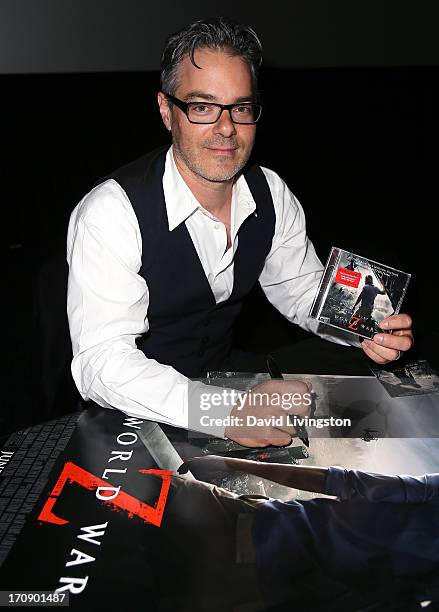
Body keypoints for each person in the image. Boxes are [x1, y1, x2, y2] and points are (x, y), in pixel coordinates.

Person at [66, 17, 413, 447]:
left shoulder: (271, 191)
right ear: (166, 110)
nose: (226, 128)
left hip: (225, 383)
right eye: (203, 107)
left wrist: (367, 325)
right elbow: (102, 363)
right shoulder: (111, 212)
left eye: (241, 107)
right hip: (132, 413)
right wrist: (223, 411)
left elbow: (301, 288)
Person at [147, 456, 439, 611]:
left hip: (255, 528)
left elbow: (341, 481)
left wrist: (234, 463)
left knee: (123, 489)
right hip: (260, 591)